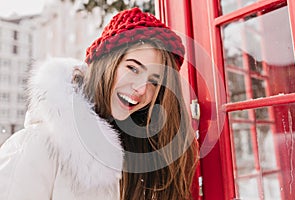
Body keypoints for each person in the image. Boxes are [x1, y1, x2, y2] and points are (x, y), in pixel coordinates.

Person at [0, 7, 198, 200]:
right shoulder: (36, 144)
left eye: (154, 81)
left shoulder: (130, 161)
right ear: (106, 62)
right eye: (133, 68)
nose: (142, 89)